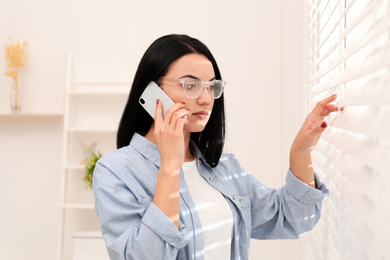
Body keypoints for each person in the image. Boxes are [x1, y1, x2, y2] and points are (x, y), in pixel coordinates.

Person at [93, 34, 342, 260]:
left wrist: (301, 151)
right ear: (153, 92)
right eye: (190, 85)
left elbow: (293, 219)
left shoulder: (223, 168)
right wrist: (169, 166)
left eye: (212, 86)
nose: (205, 98)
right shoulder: (115, 171)